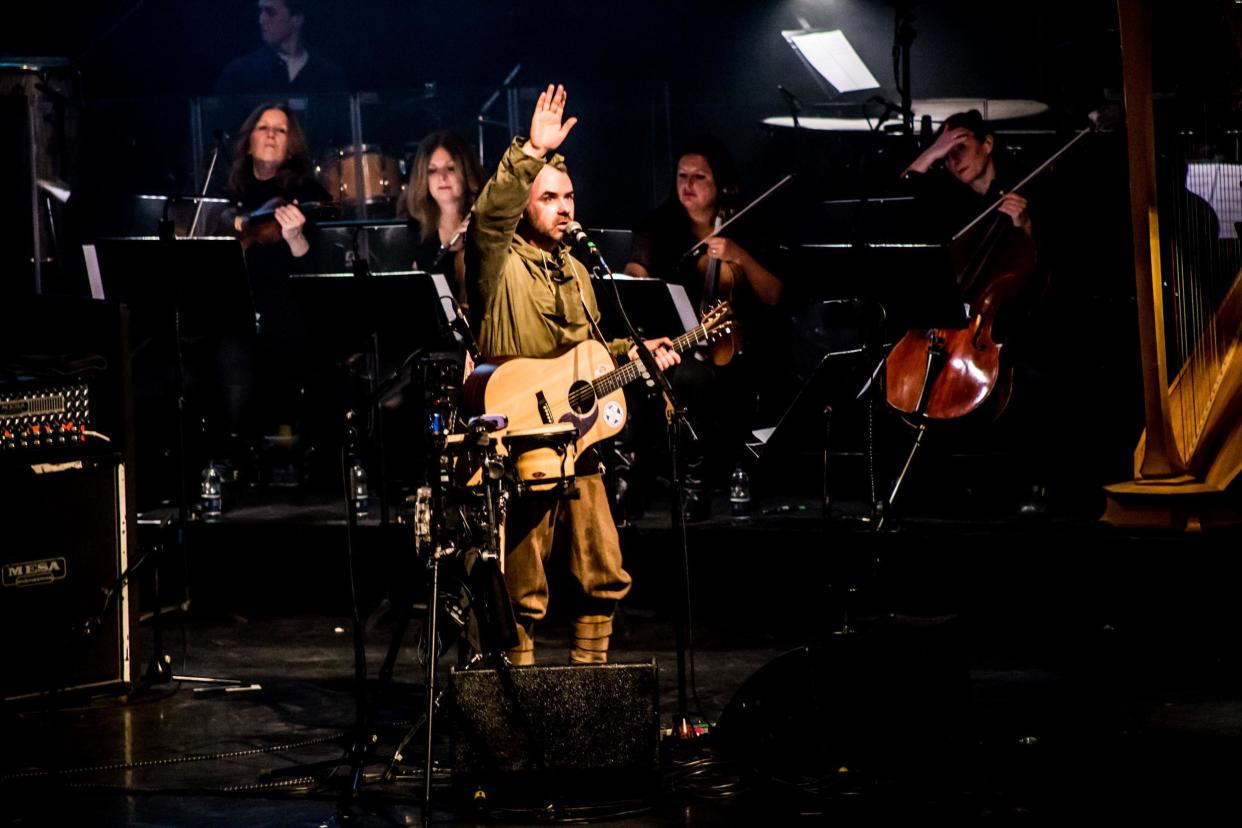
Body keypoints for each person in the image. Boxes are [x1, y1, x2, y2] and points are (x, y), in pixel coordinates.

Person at [466, 84, 680, 666]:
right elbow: (488, 217)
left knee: (603, 566)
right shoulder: (499, 261)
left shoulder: (581, 272)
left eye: (570, 196)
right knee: (522, 581)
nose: (564, 207)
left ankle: (593, 692)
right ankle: (519, 694)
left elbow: (581, 358)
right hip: (517, 442)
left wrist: (633, 351)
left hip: (576, 439)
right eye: (549, 197)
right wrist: (530, 153)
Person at [624, 136, 784, 521]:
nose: (688, 186)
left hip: (736, 351)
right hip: (670, 343)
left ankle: (693, 489)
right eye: (682, 176)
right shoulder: (660, 225)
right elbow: (636, 272)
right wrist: (634, 281)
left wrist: (738, 255)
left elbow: (775, 295)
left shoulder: (746, 225)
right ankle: (629, 485)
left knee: (694, 377)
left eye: (699, 177)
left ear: (722, 185)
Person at [899, 109, 1049, 513]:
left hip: (1008, 323)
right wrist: (931, 152)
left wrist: (1026, 228)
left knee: (1030, 376)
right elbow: (900, 198)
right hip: (951, 323)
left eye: (961, 148)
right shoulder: (947, 198)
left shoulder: (1023, 190)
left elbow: (1038, 273)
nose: (953, 161)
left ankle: (1027, 484)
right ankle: (937, 486)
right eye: (946, 156)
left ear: (988, 144)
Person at [202, 102, 330, 498]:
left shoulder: (307, 194)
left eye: (280, 129)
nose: (272, 134)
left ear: (292, 144)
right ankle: (225, 461)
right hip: (235, 314)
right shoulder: (228, 194)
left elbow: (317, 270)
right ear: (249, 140)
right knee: (227, 349)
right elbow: (215, 235)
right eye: (263, 127)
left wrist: (295, 238)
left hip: (288, 314)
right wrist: (235, 228)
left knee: (251, 350)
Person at [402, 131, 485, 298]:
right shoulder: (412, 234)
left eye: (451, 168)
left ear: (466, 171)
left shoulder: (487, 224)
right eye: (432, 171)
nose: (442, 177)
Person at [215, 0, 349, 96]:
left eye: (270, 12)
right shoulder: (239, 73)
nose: (261, 19)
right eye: (260, 11)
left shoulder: (328, 75)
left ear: (296, 19)